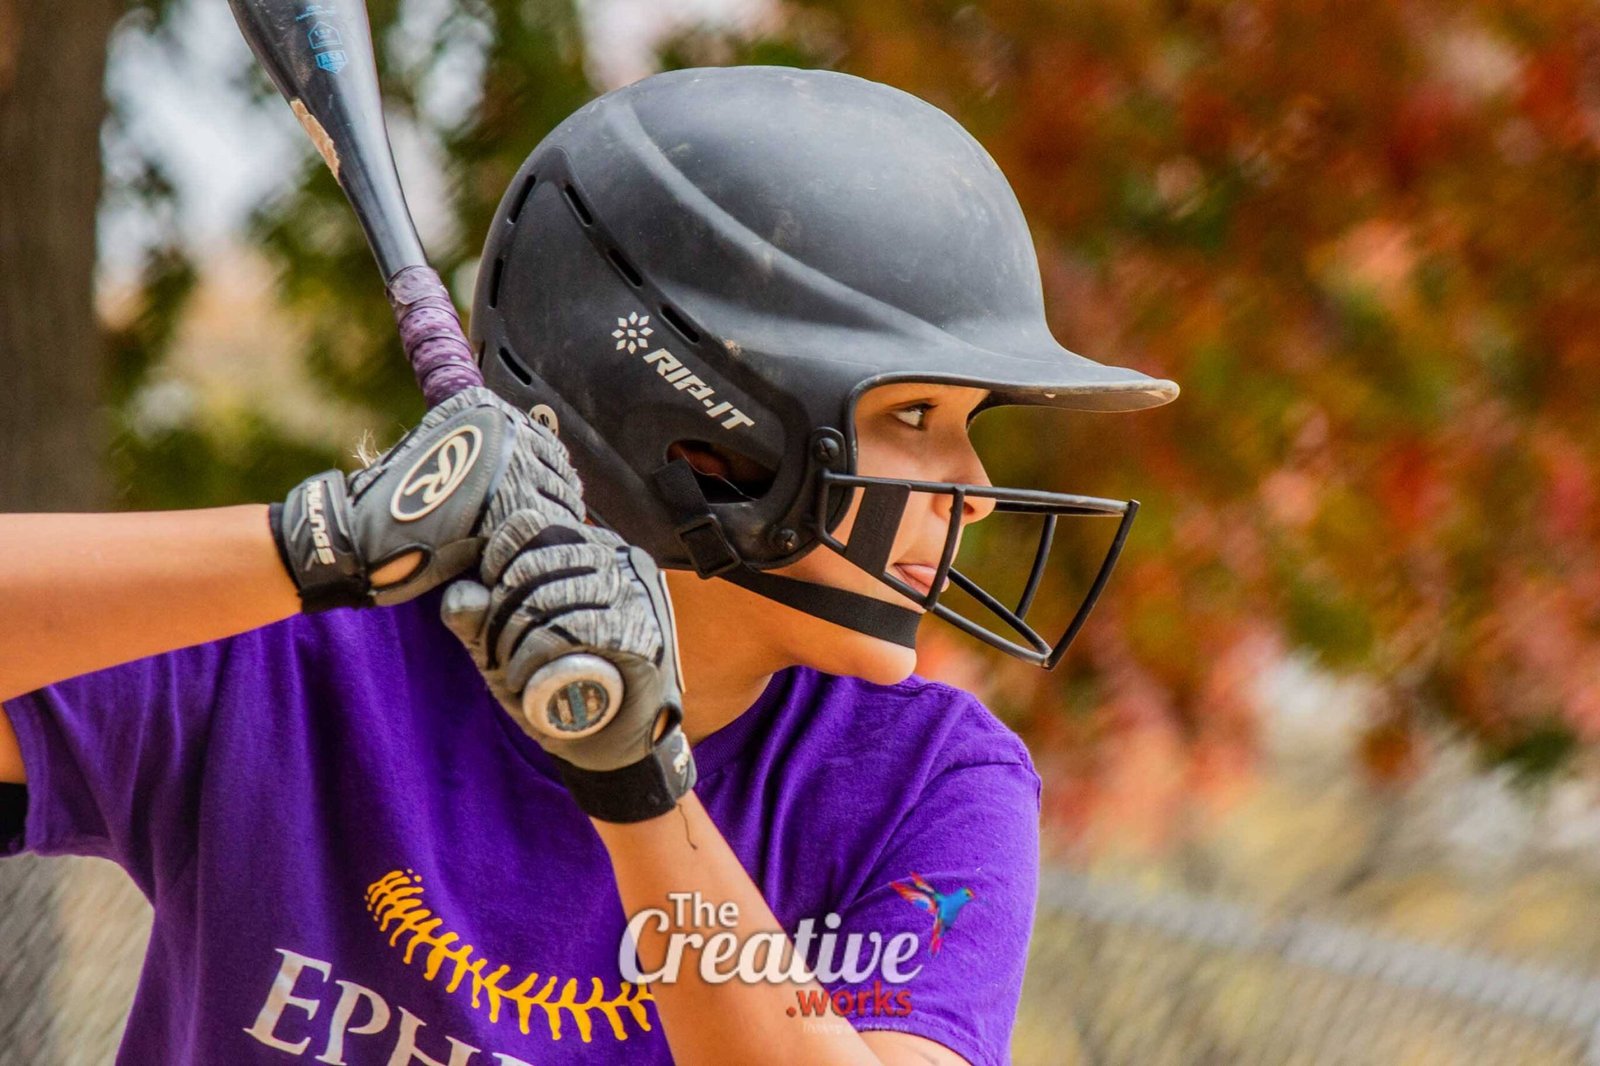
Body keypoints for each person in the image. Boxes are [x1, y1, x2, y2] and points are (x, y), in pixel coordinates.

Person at [0, 66, 1177, 1065]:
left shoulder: (922, 778)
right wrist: (318, 541)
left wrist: (635, 775)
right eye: (914, 414)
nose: (974, 489)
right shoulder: (306, 662)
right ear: (707, 435)